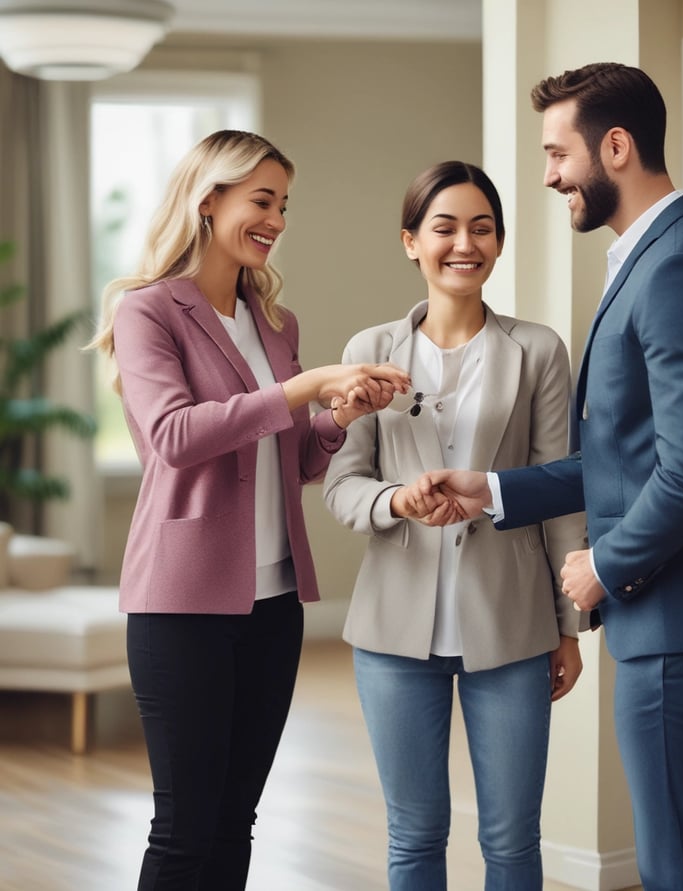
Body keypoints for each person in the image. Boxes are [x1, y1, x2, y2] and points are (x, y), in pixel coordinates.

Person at [415, 63, 683, 891]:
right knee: (681, 853)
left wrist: (603, 565)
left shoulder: (681, 265)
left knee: (680, 865)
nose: (547, 176)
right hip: (682, 614)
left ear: (616, 146)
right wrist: (494, 489)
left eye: (556, 152)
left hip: (681, 617)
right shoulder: (664, 255)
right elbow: (628, 455)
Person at [87, 129, 410, 891]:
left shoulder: (276, 322)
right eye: (261, 200)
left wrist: (338, 416)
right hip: (182, 602)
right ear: (209, 201)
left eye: (284, 204)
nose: (277, 218)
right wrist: (302, 389)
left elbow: (292, 458)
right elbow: (173, 437)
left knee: (238, 818)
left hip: (272, 604)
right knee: (184, 826)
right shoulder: (147, 311)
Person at [322, 160, 587, 891]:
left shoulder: (538, 350)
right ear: (411, 241)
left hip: (513, 627)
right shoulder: (366, 352)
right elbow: (341, 485)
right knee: (413, 836)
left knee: (510, 841)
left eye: (481, 227)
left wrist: (569, 626)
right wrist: (395, 503)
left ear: (498, 242)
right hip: (390, 635)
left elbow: (559, 490)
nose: (463, 243)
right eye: (444, 227)